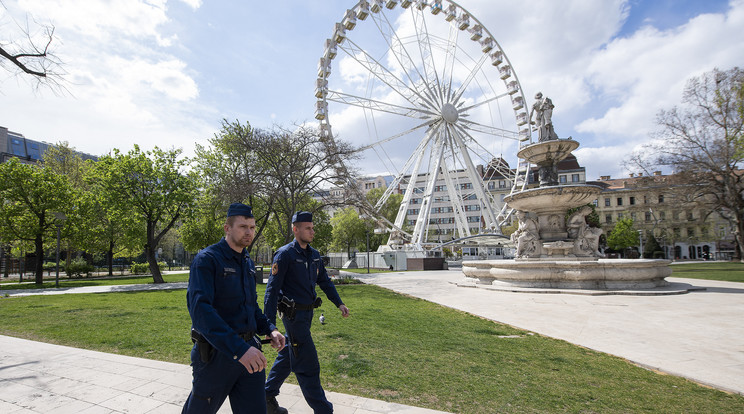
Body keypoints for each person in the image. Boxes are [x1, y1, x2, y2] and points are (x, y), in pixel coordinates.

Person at [183, 203, 285, 414]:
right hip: (216, 355)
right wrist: (239, 350)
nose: (249, 232)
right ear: (227, 228)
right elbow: (201, 312)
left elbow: (251, 307)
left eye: (252, 227)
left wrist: (270, 329)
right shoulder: (207, 260)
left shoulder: (246, 261)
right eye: (243, 226)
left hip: (250, 351)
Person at [264, 211, 350, 414]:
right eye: (308, 228)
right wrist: (269, 326)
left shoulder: (314, 255)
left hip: (307, 315)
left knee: (288, 354)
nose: (312, 231)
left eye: (312, 227)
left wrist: (339, 303)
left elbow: (325, 282)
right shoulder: (285, 255)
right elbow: (272, 291)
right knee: (307, 365)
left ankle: (266, 397)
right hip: (293, 317)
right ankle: (323, 410)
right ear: (296, 229)